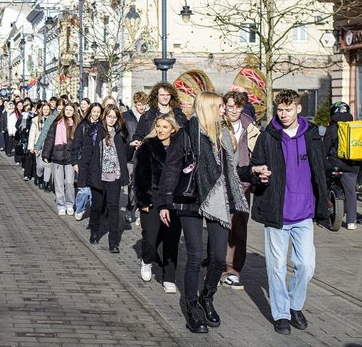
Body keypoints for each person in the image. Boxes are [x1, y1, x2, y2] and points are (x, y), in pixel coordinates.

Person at [157, 92, 248, 334]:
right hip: (191, 200)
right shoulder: (187, 134)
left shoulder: (224, 135)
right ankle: (191, 309)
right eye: (219, 107)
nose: (223, 111)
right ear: (208, 108)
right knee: (195, 257)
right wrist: (165, 203)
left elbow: (232, 171)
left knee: (218, 258)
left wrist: (254, 173)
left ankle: (206, 297)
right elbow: (171, 168)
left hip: (218, 200)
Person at [248, 89, 329, 335]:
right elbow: (255, 166)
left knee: (306, 265)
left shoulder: (312, 135)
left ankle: (295, 305)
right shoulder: (268, 136)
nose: (283, 114)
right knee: (276, 267)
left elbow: (320, 169)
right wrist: (259, 174)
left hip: (304, 212)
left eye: (288, 109)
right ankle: (281, 314)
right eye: (280, 110)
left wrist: (324, 200)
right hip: (277, 213)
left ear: (298, 109)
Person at [135, 113, 182, 293]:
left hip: (173, 198)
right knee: (151, 237)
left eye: (165, 127)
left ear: (172, 129)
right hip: (152, 197)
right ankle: (147, 260)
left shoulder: (180, 147)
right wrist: (143, 200)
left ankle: (169, 277)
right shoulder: (148, 146)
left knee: (171, 238)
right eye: (158, 126)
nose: (160, 130)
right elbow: (140, 175)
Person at [220, 90, 260, 291]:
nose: (233, 110)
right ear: (224, 106)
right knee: (219, 227)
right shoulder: (217, 125)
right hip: (219, 184)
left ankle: (232, 270)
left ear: (242, 107)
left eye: (237, 106)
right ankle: (217, 264)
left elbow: (258, 152)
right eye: (230, 106)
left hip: (242, 185)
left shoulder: (250, 127)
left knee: (239, 228)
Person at [77, 106, 130, 253]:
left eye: (115, 117)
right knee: (97, 207)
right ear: (104, 117)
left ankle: (114, 243)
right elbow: (87, 155)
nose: (112, 120)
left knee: (113, 209)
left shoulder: (120, 134)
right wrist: (83, 177)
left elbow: (124, 156)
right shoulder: (95, 131)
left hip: (115, 177)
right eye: (109, 116)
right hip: (98, 176)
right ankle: (94, 230)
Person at [323, 102, 359, 230]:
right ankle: (351, 222)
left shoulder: (333, 127)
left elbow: (325, 148)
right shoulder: (355, 126)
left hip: (335, 164)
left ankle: (324, 207)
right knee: (351, 192)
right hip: (352, 165)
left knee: (323, 181)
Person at [42, 101, 80, 215]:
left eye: (71, 110)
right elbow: (49, 139)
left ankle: (69, 203)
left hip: (70, 158)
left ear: (74, 112)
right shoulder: (56, 123)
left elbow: (79, 142)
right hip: (57, 156)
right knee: (58, 183)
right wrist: (46, 154)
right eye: (67, 109)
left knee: (69, 182)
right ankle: (61, 204)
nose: (68, 112)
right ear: (64, 111)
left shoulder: (77, 125)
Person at [131, 83, 189, 148]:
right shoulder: (146, 116)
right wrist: (138, 142)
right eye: (162, 95)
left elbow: (187, 136)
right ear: (156, 96)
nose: (165, 97)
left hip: (176, 154)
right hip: (152, 154)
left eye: (168, 95)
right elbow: (138, 135)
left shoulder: (179, 116)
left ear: (171, 96)